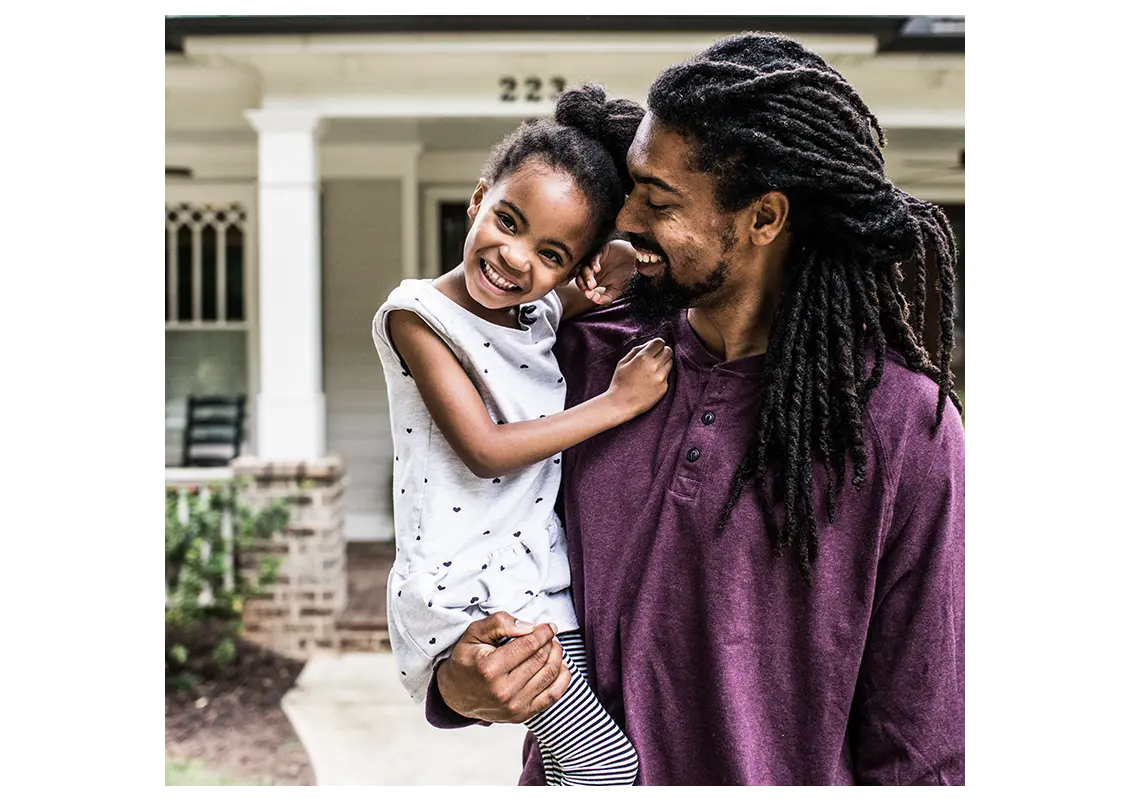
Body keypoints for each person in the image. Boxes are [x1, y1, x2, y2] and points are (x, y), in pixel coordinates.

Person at [424, 33, 968, 790]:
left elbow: (924, 740)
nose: (627, 217)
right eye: (632, 188)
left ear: (764, 218)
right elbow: (459, 540)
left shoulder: (902, 427)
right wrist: (459, 682)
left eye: (659, 199)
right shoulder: (582, 357)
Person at [371, 85, 668, 786]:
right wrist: (617, 404)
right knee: (605, 766)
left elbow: (556, 302)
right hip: (470, 587)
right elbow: (485, 449)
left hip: (530, 577)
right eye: (508, 220)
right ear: (478, 199)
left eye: (552, 253)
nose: (515, 258)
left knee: (576, 764)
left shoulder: (533, 310)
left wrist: (620, 258)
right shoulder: (419, 316)